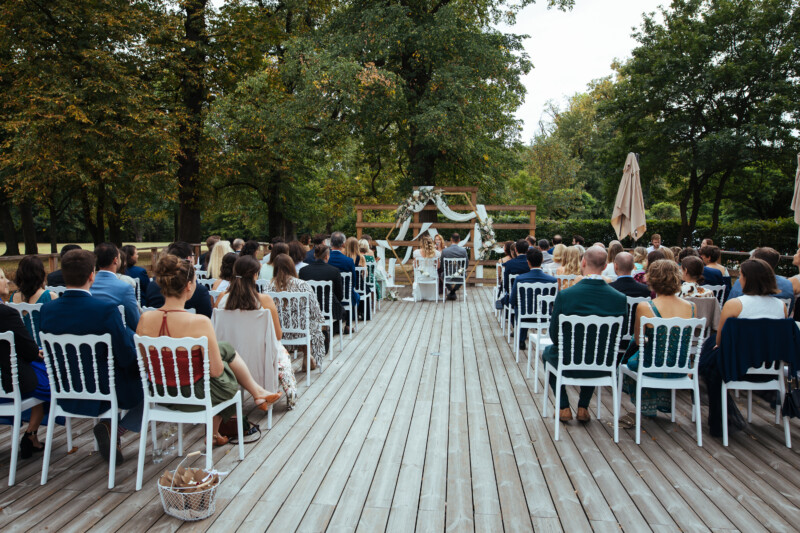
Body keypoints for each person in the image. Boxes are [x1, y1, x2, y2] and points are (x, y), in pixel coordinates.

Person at [137, 255, 282, 445]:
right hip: (193, 396)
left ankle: (219, 430)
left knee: (225, 349)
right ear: (188, 286)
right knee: (228, 381)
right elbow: (216, 371)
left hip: (159, 391)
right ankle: (254, 394)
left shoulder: (145, 319)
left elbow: (148, 364)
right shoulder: (199, 322)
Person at [40, 249, 144, 463]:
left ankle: (110, 429)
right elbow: (125, 357)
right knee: (150, 384)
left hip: (64, 391)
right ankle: (115, 429)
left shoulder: (47, 310)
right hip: (106, 391)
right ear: (92, 276)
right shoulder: (105, 310)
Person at [699, 258, 786, 437]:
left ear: (747, 279)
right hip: (768, 367)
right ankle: (767, 392)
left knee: (710, 353)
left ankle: (724, 416)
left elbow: (721, 341)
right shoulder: (782, 306)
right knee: (711, 351)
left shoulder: (735, 304)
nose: (739, 279)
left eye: (740, 275)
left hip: (737, 369)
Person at [542, 246, 626, 422]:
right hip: (603, 362)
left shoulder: (566, 295)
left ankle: (564, 406)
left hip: (568, 360)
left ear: (583, 262)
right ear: (605, 267)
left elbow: (554, 333)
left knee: (548, 353)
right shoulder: (619, 298)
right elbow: (621, 332)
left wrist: (566, 346)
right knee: (596, 351)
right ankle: (583, 407)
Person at [619, 260, 697, 427]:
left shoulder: (645, 307)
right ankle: (658, 403)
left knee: (628, 361)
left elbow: (639, 341)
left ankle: (646, 406)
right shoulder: (691, 307)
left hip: (650, 366)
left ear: (652, 279)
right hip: (681, 368)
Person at [217, 255, 299, 407]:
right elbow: (278, 335)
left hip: (228, 360)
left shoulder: (222, 299)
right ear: (255, 275)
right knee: (282, 352)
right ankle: (288, 393)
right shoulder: (264, 300)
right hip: (261, 360)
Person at [0, 300, 47, 458]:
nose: (7, 280)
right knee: (49, 381)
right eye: (1, 277)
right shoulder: (6, 313)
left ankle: (31, 436)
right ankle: (30, 434)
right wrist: (36, 353)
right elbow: (28, 349)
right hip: (9, 384)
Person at [266, 255, 327, 368]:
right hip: (301, 330)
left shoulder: (268, 287)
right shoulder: (303, 285)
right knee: (311, 326)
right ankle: (307, 354)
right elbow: (315, 310)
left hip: (278, 331)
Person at [144, 242, 212, 317]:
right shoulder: (200, 291)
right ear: (189, 259)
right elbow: (207, 316)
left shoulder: (152, 286)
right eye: (193, 256)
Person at [509, 248, 557, 350]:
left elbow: (512, 300)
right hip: (545, 315)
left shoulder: (520, 279)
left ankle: (521, 340)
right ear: (542, 260)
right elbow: (553, 302)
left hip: (524, 315)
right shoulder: (552, 280)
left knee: (521, 305)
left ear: (528, 262)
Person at [89, 243, 141, 330]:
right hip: (117, 337)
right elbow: (135, 321)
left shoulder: (89, 284)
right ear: (115, 260)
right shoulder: (125, 288)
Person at [728, 247, 794, 312]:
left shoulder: (744, 281)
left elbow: (729, 307)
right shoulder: (788, 284)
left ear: (755, 262)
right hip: (779, 321)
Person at [12, 256, 60, 344]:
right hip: (44, 347)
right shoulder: (50, 296)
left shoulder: (13, 297)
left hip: (20, 349)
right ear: (41, 273)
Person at [299, 244, 345, 325]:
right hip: (328, 309)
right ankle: (329, 330)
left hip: (308, 309)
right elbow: (340, 295)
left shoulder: (303, 271)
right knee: (342, 311)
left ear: (314, 255)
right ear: (327, 256)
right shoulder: (334, 271)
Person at [328, 232, 360, 307]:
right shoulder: (348, 261)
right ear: (343, 244)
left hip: (328, 296)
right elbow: (353, 282)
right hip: (345, 296)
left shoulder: (326, 259)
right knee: (357, 296)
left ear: (331, 243)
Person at [438, 232, 470, 301]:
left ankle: (451, 291)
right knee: (464, 275)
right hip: (460, 275)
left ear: (451, 239)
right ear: (459, 240)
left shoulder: (445, 251)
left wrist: (447, 271)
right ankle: (453, 291)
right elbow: (466, 265)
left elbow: (442, 266)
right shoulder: (463, 251)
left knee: (442, 275)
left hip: (447, 275)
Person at [413, 235, 440, 302]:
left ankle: (420, 295)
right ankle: (432, 296)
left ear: (421, 243)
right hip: (432, 276)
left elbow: (415, 266)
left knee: (417, 272)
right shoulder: (436, 253)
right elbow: (438, 266)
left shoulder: (416, 252)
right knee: (435, 273)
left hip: (421, 275)